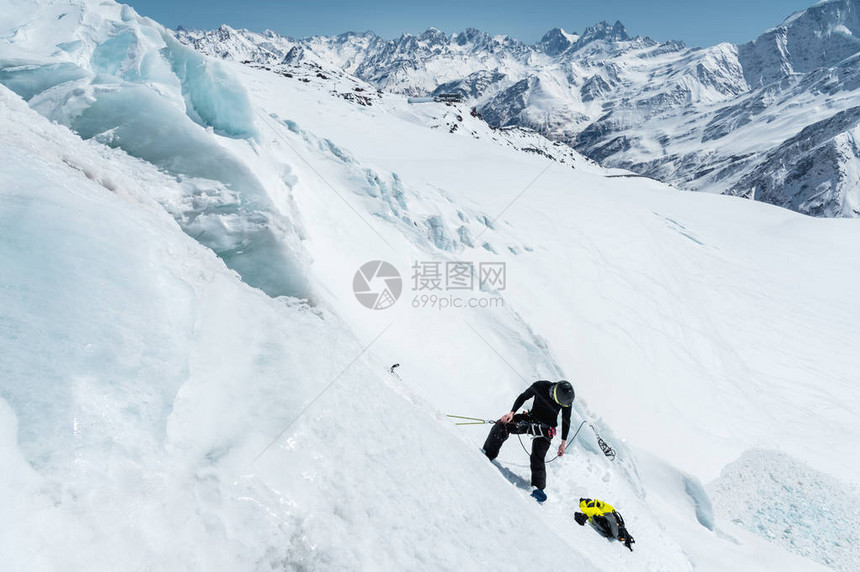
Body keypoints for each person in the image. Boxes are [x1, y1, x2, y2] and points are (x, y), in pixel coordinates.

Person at [482, 380, 574, 501]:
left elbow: (566, 420)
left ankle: (539, 488)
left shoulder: (566, 400)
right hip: (530, 419)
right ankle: (487, 454)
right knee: (501, 425)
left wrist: (563, 443)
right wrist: (512, 412)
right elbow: (523, 397)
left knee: (537, 456)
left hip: (546, 429)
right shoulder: (540, 386)